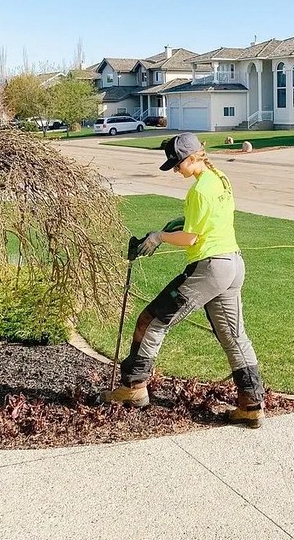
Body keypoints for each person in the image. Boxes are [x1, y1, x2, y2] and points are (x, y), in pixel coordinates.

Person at [102, 132, 265, 428]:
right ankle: (251, 405)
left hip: (210, 266)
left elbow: (191, 238)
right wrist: (177, 223)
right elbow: (209, 220)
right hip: (233, 263)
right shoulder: (220, 178)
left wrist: (159, 236)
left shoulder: (199, 191)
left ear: (193, 157)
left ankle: (133, 388)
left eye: (178, 164)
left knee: (151, 320)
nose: (176, 169)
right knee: (234, 336)